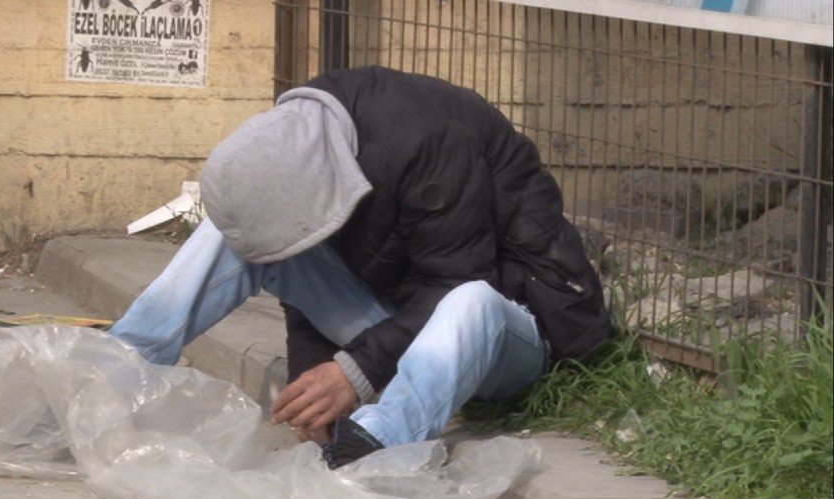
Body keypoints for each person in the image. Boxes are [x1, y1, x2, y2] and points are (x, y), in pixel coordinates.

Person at [110, 66, 613, 469]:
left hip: (505, 328)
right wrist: (316, 387)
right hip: (404, 323)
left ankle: (376, 448)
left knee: (469, 299)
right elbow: (296, 259)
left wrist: (355, 373)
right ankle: (108, 372)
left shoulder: (429, 140)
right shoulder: (310, 138)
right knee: (228, 231)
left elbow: (459, 279)